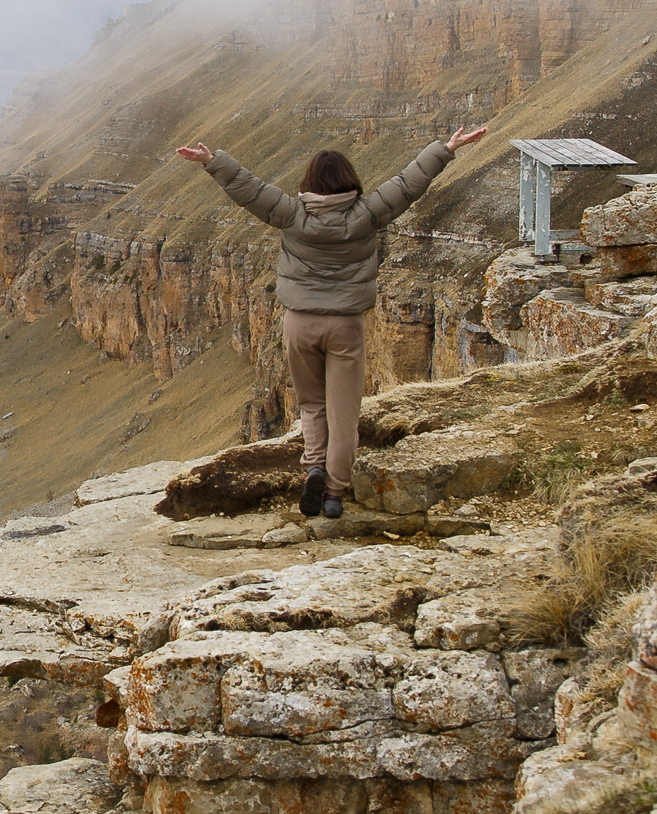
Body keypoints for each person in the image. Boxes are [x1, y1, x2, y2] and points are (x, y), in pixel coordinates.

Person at [174, 120, 490, 519]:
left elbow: (250, 189)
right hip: (344, 325)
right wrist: (445, 149)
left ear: (308, 182)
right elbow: (408, 184)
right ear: (349, 180)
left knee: (312, 404)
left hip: (300, 323)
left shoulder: (292, 214)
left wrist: (213, 160)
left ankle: (314, 469)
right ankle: (335, 494)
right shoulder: (368, 214)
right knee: (344, 413)